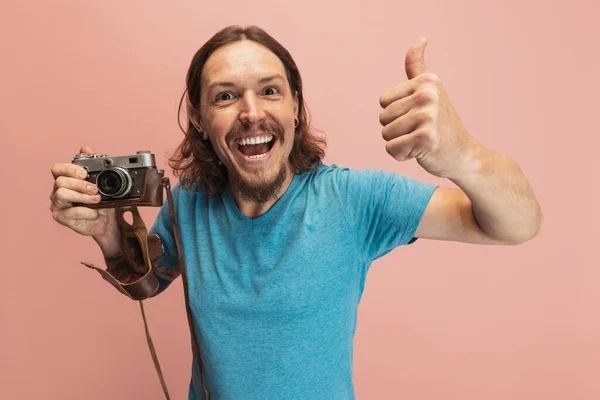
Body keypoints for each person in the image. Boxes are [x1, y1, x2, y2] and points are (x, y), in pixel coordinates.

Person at [49, 25, 544, 400]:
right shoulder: (189, 201)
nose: (251, 112)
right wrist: (108, 233)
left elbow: (518, 225)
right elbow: (151, 280)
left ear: (295, 106)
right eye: (225, 96)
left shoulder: (355, 200)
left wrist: (462, 154)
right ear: (199, 119)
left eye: (270, 90)